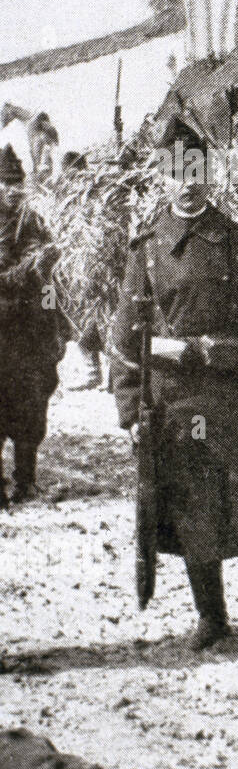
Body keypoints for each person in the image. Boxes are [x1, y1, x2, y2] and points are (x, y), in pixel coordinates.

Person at [108, 130, 238, 653]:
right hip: (176, 402)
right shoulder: (149, 251)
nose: (187, 186)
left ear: (210, 175)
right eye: (177, 174)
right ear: (163, 177)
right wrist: (131, 408)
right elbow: (126, 335)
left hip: (234, 395)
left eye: (196, 173)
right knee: (193, 508)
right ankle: (212, 617)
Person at [0, 145, 62, 506]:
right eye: (6, 183)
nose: (13, 190)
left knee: (31, 405)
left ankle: (26, 480)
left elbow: (50, 284)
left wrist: (52, 319)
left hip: (29, 334)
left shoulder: (35, 223)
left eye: (18, 183)